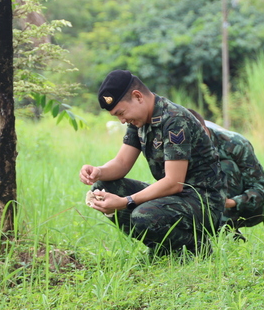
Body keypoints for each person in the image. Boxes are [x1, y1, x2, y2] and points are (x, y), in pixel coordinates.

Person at [79, 70, 225, 255]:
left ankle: (195, 247)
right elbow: (122, 163)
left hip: (204, 202)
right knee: (102, 189)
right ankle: (163, 248)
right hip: (176, 197)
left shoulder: (174, 120)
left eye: (121, 113)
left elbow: (174, 182)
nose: (122, 120)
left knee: (143, 215)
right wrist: (98, 171)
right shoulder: (139, 121)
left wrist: (126, 201)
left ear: (137, 96)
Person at [187, 109, 264, 232]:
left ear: (204, 129)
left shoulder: (235, 144)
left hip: (242, 205)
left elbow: (263, 190)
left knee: (226, 166)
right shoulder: (175, 146)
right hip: (197, 201)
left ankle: (225, 229)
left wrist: (232, 202)